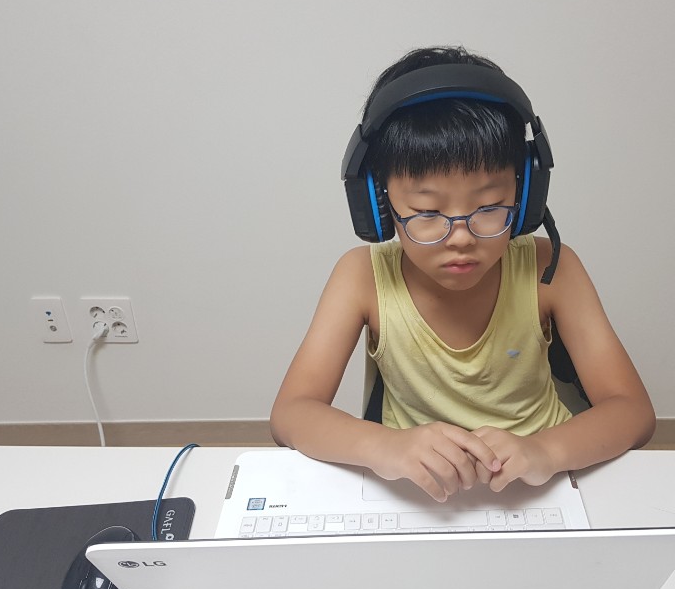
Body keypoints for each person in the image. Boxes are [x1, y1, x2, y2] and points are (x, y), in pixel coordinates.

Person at [271, 46, 654, 502]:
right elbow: (290, 414)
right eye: (426, 212)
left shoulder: (551, 268)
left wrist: (546, 451)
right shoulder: (361, 277)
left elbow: (633, 412)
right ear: (377, 203)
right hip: (417, 487)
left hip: (542, 480)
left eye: (489, 207)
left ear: (526, 194)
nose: (461, 238)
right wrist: (385, 447)